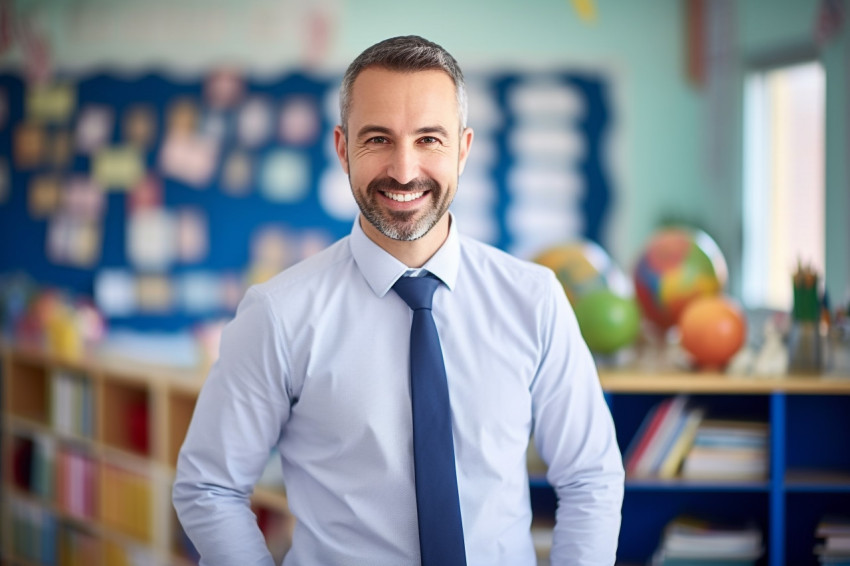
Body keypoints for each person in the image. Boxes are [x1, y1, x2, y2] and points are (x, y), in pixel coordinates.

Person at [173, 35, 624, 566]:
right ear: (343, 148)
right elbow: (210, 487)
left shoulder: (535, 299)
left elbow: (590, 476)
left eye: (429, 139)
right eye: (378, 139)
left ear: (464, 147)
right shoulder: (279, 314)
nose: (405, 170)